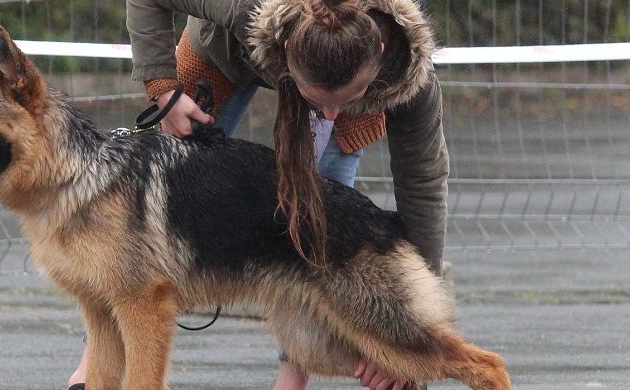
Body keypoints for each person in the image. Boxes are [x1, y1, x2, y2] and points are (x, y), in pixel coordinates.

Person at [67, 0, 448, 388]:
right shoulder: (241, 7)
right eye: (318, 99)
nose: (330, 116)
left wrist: (405, 333)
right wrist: (163, 88)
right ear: (285, 53)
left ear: (379, 55)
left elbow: (424, 187)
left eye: (345, 98)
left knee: (322, 228)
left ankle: (292, 374)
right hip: (228, 54)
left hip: (345, 74)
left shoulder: (406, 74)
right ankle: (93, 366)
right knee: (151, 202)